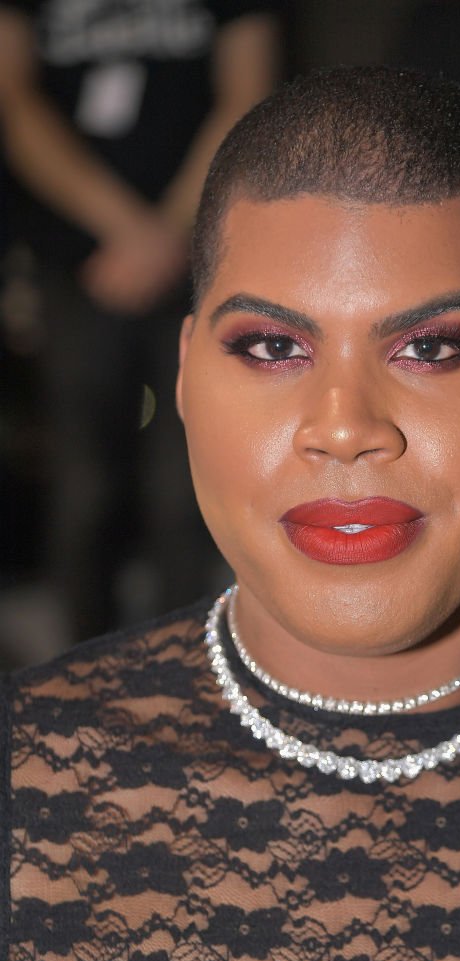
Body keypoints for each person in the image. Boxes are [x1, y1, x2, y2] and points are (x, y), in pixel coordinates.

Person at [1, 67, 460, 961]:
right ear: (188, 378)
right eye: (273, 347)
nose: (345, 425)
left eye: (432, 347)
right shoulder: (24, 784)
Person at [0, 1, 281, 643]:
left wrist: (171, 231)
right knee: (84, 485)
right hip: (76, 259)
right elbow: (14, 101)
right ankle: (81, 666)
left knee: (187, 481)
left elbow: (249, 92)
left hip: (207, 254)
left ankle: (181, 662)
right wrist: (126, 229)